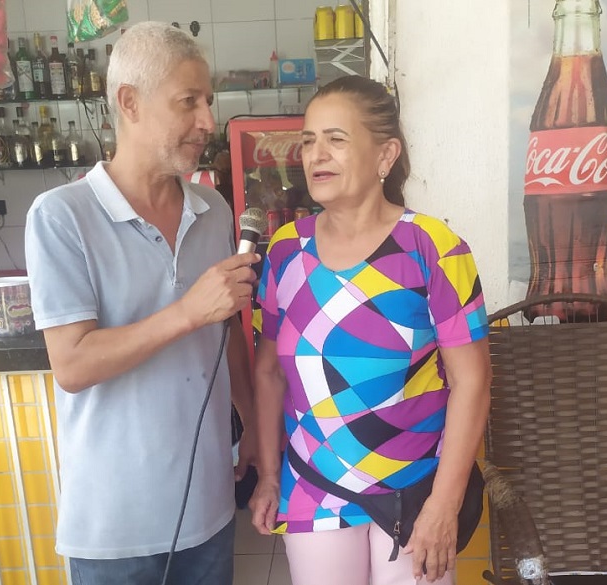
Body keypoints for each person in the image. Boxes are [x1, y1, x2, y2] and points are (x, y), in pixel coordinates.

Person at [24, 22, 258, 585]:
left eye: (208, 101)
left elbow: (226, 336)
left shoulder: (214, 210)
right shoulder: (61, 216)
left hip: (209, 509)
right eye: (188, 102)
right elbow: (73, 365)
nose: (207, 120)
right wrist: (186, 312)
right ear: (129, 102)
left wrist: (250, 423)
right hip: (114, 529)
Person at [249, 76, 492, 585]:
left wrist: (445, 505)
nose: (316, 154)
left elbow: (472, 382)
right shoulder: (284, 252)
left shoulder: (434, 248)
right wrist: (270, 475)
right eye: (309, 139)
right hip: (313, 486)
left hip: (416, 491)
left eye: (336, 139)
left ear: (386, 156)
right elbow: (269, 372)